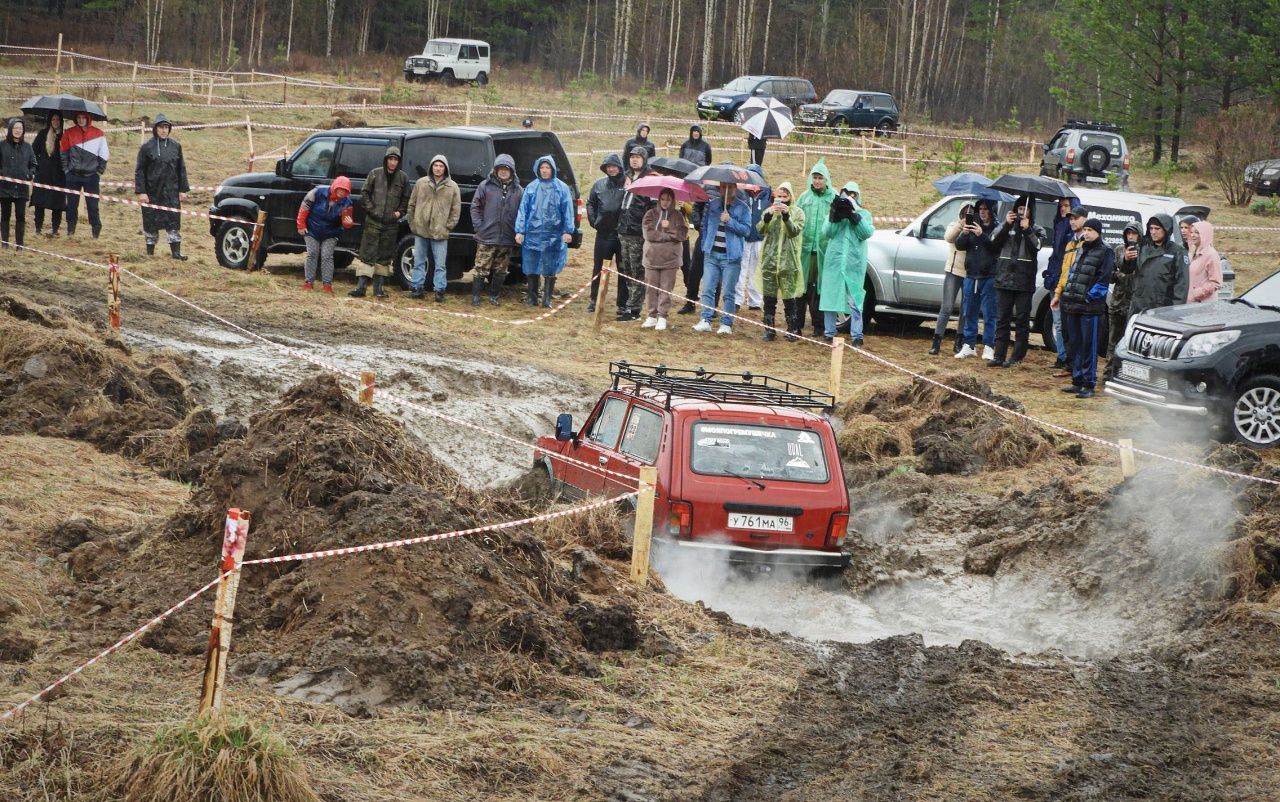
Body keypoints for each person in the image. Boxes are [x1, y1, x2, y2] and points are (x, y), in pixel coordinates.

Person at [1058, 218, 1115, 398]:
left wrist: (1088, 297)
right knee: (1075, 344)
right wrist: (1068, 293)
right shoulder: (1081, 248)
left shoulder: (1106, 251)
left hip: (1090, 307)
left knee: (1088, 345)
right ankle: (1077, 381)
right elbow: (1073, 273)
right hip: (1073, 304)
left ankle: (1089, 384)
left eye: (1091, 230)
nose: (1087, 232)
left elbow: (1103, 280)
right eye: (1086, 229)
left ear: (1098, 232)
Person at [987, 199, 1044, 367]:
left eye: (1025, 208)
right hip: (1004, 279)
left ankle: (1017, 357)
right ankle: (999, 355)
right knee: (1002, 319)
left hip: (1024, 281)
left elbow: (1037, 247)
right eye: (1019, 208)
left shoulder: (1037, 229)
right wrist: (1006, 224)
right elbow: (993, 242)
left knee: (1022, 321)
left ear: (1030, 211)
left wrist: (1027, 230)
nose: (1021, 211)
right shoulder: (1007, 224)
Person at [514, 155, 574, 308]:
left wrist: (567, 231)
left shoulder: (561, 188)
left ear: (552, 169)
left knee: (550, 265)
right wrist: (520, 231)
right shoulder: (531, 187)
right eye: (542, 167)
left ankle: (547, 299)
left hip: (554, 234)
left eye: (547, 167)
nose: (545, 170)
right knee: (531, 264)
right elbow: (523, 210)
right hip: (533, 233)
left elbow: (567, 210)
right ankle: (532, 297)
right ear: (538, 169)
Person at [693, 180, 752, 334]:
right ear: (719, 188)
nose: (727, 189)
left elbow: (746, 231)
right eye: (723, 186)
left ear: (735, 188)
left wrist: (730, 221)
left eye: (730, 186)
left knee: (728, 292)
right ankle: (705, 319)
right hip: (711, 255)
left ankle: (726, 323)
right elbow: (705, 226)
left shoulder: (743, 207)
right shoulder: (712, 205)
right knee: (707, 289)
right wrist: (705, 244)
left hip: (731, 257)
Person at [819, 181, 875, 345]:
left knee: (855, 300)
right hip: (834, 263)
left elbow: (866, 233)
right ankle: (829, 332)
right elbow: (827, 232)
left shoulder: (864, 214)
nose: (850, 197)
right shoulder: (835, 213)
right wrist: (834, 217)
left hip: (853, 265)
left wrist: (854, 217)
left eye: (853, 194)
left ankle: (857, 335)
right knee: (830, 297)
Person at [350, 146, 409, 298]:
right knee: (366, 254)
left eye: (395, 159)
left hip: (391, 224)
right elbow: (364, 193)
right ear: (386, 159)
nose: (393, 162)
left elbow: (406, 199)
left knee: (384, 257)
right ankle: (360, 288)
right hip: (373, 222)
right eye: (390, 159)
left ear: (398, 161)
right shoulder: (374, 174)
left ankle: (379, 290)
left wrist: (398, 213)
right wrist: (372, 210)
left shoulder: (403, 178)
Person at [133, 113, 190, 260]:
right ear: (155, 129)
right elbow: (140, 170)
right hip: (152, 192)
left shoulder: (176, 146)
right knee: (151, 221)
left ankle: (176, 253)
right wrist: (142, 192)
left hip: (171, 192)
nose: (164, 130)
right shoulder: (146, 147)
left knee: (173, 221)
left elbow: (181, 168)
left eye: (166, 127)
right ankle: (150, 252)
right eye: (161, 127)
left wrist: (183, 189)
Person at [754, 181, 806, 342]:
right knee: (769, 299)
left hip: (788, 262)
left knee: (789, 299)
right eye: (779, 196)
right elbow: (760, 230)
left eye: (785, 196)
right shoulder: (769, 211)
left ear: (790, 196)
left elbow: (794, 231)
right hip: (769, 261)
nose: (782, 199)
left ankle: (792, 329)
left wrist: (786, 217)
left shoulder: (797, 212)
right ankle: (769, 330)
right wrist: (768, 218)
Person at [469, 153, 522, 306]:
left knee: (501, 270)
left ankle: (494, 296)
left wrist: (517, 230)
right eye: (500, 168)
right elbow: (475, 207)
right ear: (495, 169)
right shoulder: (485, 186)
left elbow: (523, 213)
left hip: (507, 238)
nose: (503, 171)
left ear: (512, 171)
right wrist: (479, 227)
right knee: (481, 268)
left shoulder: (518, 190)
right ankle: (476, 297)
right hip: (486, 237)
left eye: (507, 169)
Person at [407, 154, 461, 302]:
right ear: (431, 167)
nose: (438, 168)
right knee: (418, 261)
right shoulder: (421, 183)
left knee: (440, 264)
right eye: (436, 165)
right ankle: (417, 288)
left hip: (440, 231)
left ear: (445, 168)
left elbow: (456, 210)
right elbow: (411, 204)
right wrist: (413, 223)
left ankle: (439, 291)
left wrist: (447, 226)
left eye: (441, 166)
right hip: (421, 230)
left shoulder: (452, 187)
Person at [795, 159, 835, 336]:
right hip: (805, 250)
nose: (817, 181)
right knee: (801, 287)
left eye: (820, 177)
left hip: (823, 252)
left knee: (818, 289)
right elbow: (796, 218)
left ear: (826, 179)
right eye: (815, 177)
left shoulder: (833, 198)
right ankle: (796, 324)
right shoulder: (804, 197)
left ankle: (818, 326)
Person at [295, 175, 355, 293]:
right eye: (340, 189)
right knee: (312, 253)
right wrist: (300, 225)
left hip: (332, 232)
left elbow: (346, 222)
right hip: (312, 229)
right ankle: (308, 283)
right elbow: (304, 207)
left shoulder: (347, 202)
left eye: (345, 191)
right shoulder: (317, 192)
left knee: (327, 256)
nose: (342, 192)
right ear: (334, 187)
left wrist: (349, 223)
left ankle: (327, 285)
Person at [955, 200, 999, 359]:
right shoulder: (972, 225)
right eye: (980, 209)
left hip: (989, 276)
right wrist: (965, 233)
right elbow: (960, 246)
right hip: (971, 274)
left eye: (986, 209)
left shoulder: (996, 227)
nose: (982, 212)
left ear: (992, 211)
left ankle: (989, 346)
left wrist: (982, 235)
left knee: (989, 313)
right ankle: (969, 345)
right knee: (969, 312)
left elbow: (995, 248)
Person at [1047, 206, 1088, 374]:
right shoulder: (1070, 243)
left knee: (1078, 333)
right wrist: (1058, 293)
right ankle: (1069, 366)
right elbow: (1065, 271)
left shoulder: (1089, 243)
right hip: (1066, 293)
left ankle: (1078, 368)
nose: (1072, 221)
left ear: (1085, 218)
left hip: (1079, 295)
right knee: (1065, 330)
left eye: (1075, 218)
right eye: (1070, 219)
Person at [640, 187, 688, 331]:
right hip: (651, 258)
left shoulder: (678, 216)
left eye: (668, 199)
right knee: (651, 288)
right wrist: (666, 233)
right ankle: (651, 315)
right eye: (663, 199)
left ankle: (662, 316)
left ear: (672, 200)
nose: (665, 202)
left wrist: (668, 229)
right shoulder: (650, 214)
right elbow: (649, 234)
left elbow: (681, 234)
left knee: (666, 288)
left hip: (670, 260)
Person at [615, 146, 654, 320]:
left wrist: (646, 228)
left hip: (638, 233)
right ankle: (629, 304)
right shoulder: (628, 177)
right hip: (624, 231)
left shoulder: (650, 179)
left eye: (638, 157)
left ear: (644, 159)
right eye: (632, 157)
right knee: (627, 269)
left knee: (638, 270)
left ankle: (634, 309)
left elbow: (653, 209)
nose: (634, 160)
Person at [585, 153, 625, 313]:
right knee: (599, 268)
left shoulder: (628, 184)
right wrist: (594, 221)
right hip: (603, 235)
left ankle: (623, 304)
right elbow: (590, 204)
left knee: (624, 270)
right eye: (608, 167)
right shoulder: (599, 185)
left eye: (614, 166)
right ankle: (594, 299)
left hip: (622, 235)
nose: (611, 169)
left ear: (619, 167)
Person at [59, 111, 108, 238]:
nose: (81, 120)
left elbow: (104, 154)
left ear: (88, 118)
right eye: (78, 117)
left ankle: (95, 232)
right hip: (73, 175)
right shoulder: (69, 133)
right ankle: (70, 231)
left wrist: (99, 172)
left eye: (83, 117)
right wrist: (66, 170)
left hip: (91, 176)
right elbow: (63, 152)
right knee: (71, 205)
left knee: (93, 206)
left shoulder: (98, 133)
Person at [1128, 214, 1188, 317]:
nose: (1153, 232)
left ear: (1166, 229)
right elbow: (1128, 270)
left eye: (1157, 228)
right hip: (1138, 306)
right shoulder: (1143, 247)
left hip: (1161, 308)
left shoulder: (1177, 251)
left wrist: (1175, 312)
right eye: (1151, 228)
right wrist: (1127, 260)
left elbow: (1182, 285)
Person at [929, 203, 970, 354]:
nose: (967, 216)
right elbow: (949, 237)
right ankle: (936, 341)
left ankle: (959, 341)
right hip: (953, 271)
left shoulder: (975, 229)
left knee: (965, 311)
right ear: (960, 214)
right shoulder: (954, 225)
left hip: (968, 273)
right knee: (946, 307)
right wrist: (961, 226)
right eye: (965, 213)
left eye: (970, 213)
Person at [1103, 222, 1141, 379]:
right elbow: (1110, 274)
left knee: (1131, 343)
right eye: (1128, 233)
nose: (1131, 237)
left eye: (1134, 233)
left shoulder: (1144, 251)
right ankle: (1108, 374)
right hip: (1118, 301)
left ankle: (1125, 376)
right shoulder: (1119, 249)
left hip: (1135, 303)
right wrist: (1121, 274)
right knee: (1113, 341)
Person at [1042, 199, 1075, 369]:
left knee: (1063, 323)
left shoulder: (1071, 230)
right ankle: (1062, 356)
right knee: (1057, 322)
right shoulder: (1058, 225)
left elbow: (1066, 257)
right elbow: (1055, 256)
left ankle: (1065, 358)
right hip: (1054, 279)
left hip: (1065, 281)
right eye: (1061, 206)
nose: (1063, 209)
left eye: (1066, 206)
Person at [735, 163, 769, 311]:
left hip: (760, 237)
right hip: (744, 236)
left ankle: (755, 301)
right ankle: (737, 299)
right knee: (740, 268)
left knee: (757, 269)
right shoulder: (740, 192)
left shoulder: (768, 193)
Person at [0, 119, 36, 249]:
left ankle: (19, 244)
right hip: (5, 187)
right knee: (5, 215)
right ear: (10, 129)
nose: (18, 130)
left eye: (20, 128)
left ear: (23, 131)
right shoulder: (2, 145)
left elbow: (34, 164)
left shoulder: (28, 147)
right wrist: (2, 174)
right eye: (15, 128)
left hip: (21, 188)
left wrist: (29, 174)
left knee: (20, 216)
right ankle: (5, 243)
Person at [31, 113, 65, 237]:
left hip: (59, 176)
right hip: (42, 174)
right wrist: (38, 165)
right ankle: (38, 229)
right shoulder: (42, 134)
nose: (56, 121)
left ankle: (55, 230)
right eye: (53, 119)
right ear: (50, 120)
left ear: (61, 121)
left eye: (58, 119)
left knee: (58, 204)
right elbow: (33, 152)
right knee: (39, 202)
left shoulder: (64, 136)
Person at [1186, 220, 1222, 303]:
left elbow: (1215, 282)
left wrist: (1197, 294)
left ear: (1205, 234)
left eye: (1197, 232)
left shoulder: (1211, 254)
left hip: (1203, 305)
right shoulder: (1192, 251)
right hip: (1189, 303)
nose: (1193, 235)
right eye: (1191, 232)